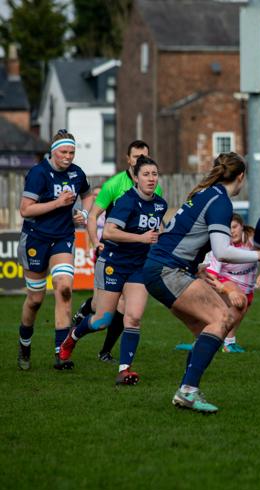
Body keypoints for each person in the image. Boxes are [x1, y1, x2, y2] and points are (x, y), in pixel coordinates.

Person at [142, 152, 260, 413]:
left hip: (162, 269)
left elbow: (184, 236)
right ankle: (188, 390)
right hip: (166, 270)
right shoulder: (220, 201)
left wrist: (195, 267)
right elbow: (222, 251)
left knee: (207, 328)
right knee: (222, 318)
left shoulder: (205, 194)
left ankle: (187, 390)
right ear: (240, 177)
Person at [59, 156, 167, 385]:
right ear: (135, 178)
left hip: (138, 267)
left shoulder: (160, 204)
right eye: (146, 174)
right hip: (114, 264)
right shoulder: (126, 201)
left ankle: (124, 370)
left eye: (154, 174)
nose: (151, 178)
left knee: (134, 317)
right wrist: (141, 237)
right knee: (102, 320)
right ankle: (73, 336)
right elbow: (108, 232)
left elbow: (158, 231)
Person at [74, 140, 162, 363]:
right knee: (100, 309)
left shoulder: (154, 189)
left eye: (145, 156)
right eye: (136, 157)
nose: (140, 160)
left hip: (138, 259)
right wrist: (95, 241)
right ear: (128, 159)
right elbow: (93, 215)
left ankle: (106, 353)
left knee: (127, 310)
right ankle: (85, 310)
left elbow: (155, 224)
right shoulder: (114, 185)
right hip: (111, 252)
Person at [17, 130, 93, 370]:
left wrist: (85, 213)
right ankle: (24, 345)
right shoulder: (38, 174)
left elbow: (88, 195)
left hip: (62, 238)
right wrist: (58, 204)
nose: (68, 156)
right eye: (64, 152)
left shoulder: (77, 173)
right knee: (35, 300)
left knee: (64, 288)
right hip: (35, 240)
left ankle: (62, 354)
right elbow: (26, 210)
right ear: (53, 151)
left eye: (72, 152)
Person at [202, 214, 260, 353]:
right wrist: (226, 289)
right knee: (239, 301)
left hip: (248, 287)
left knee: (238, 313)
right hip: (224, 282)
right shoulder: (221, 246)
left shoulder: (253, 240)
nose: (231, 231)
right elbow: (210, 276)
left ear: (241, 226)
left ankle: (225, 342)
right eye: (228, 229)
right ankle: (213, 341)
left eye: (234, 227)